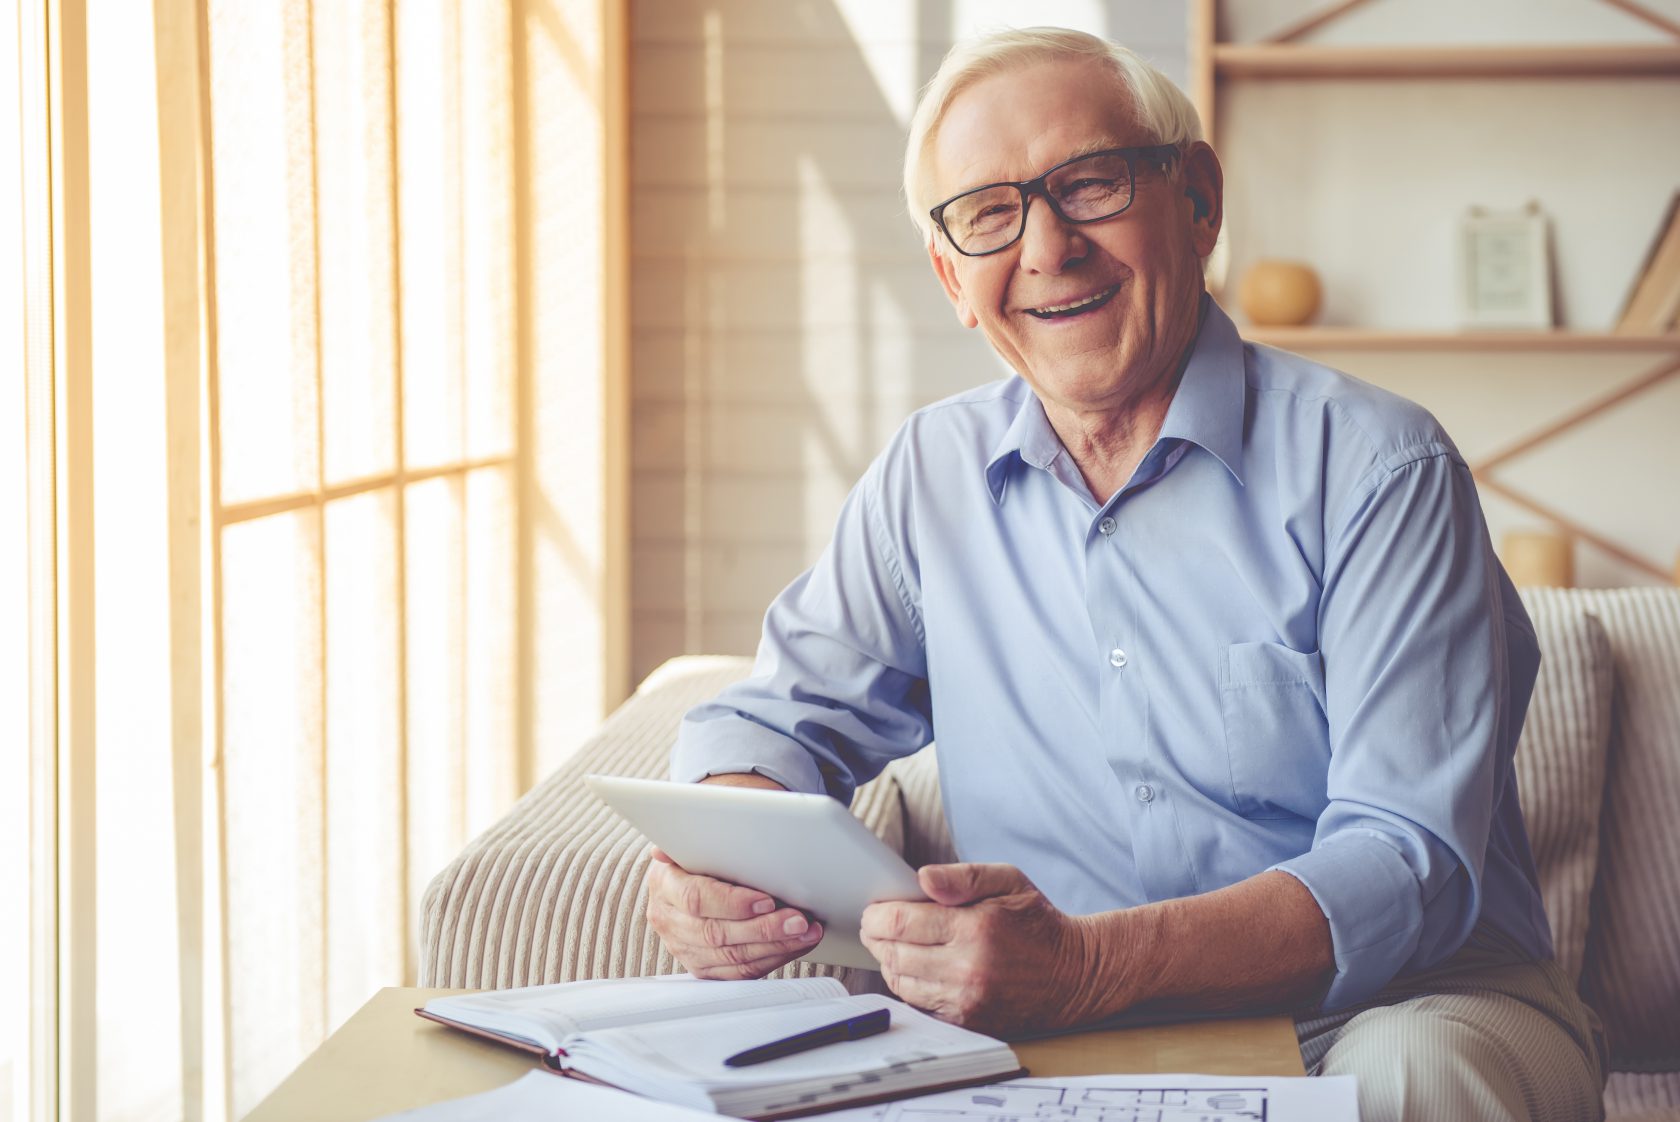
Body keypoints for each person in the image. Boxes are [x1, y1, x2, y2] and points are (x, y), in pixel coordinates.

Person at [644, 27, 1606, 1122]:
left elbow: (1407, 862)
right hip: (1060, 1041)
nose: (1048, 248)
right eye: (989, 215)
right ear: (953, 277)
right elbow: (771, 721)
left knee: (1411, 1082)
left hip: (1393, 1006)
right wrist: (717, 855)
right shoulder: (928, 478)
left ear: (1196, 198)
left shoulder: (1385, 470)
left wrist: (1091, 965)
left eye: (1089, 184)